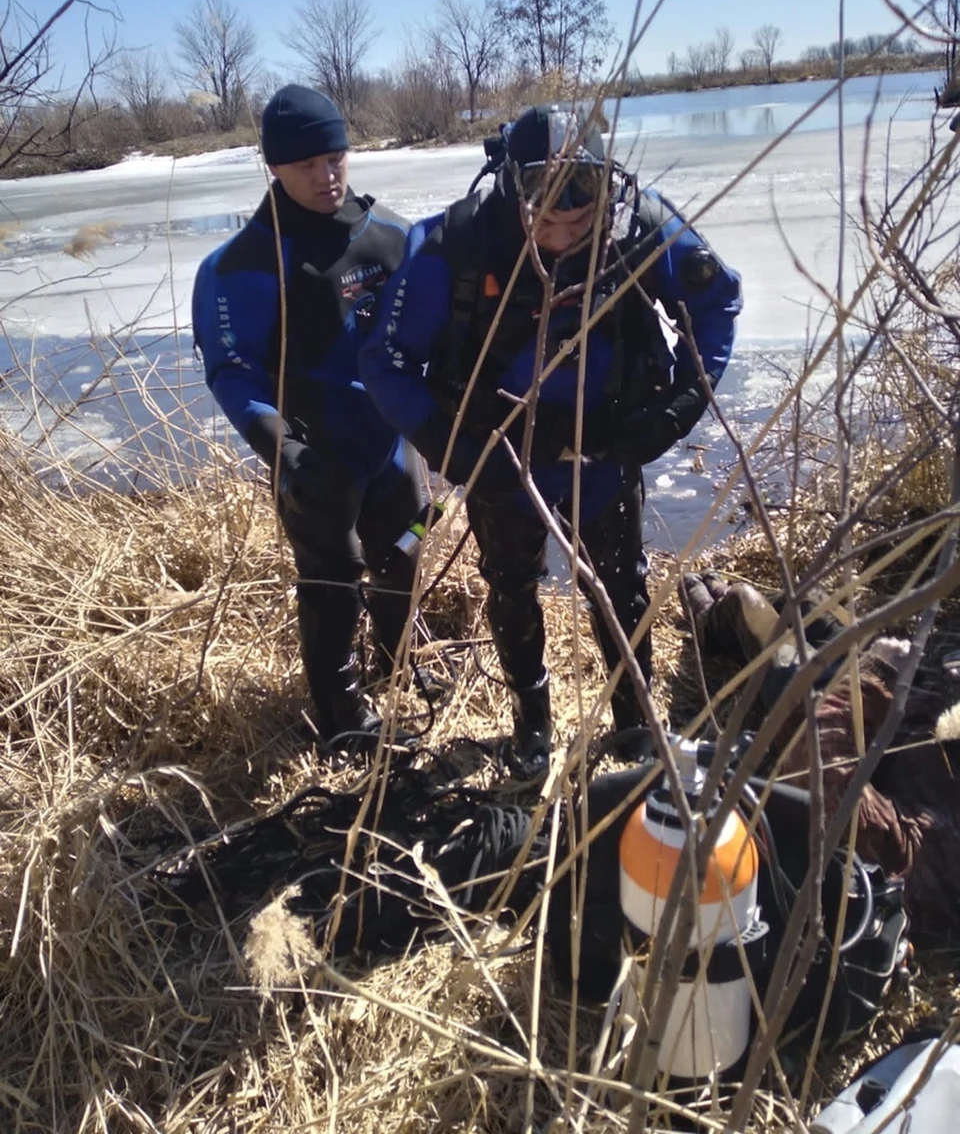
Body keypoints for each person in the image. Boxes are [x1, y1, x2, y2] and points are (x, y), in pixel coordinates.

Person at [360, 103, 742, 769]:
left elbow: (717, 301)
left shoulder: (639, 226)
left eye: (581, 220)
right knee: (510, 583)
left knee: (620, 584)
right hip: (501, 453)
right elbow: (384, 362)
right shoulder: (453, 246)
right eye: (547, 222)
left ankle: (632, 722)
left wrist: (683, 402)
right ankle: (532, 723)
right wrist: (449, 446)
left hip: (605, 448)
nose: (564, 237)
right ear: (513, 190)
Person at [192, 83, 428, 749]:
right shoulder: (239, 266)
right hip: (313, 453)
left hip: (391, 445)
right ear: (274, 166)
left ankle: (398, 664)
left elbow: (436, 334)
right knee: (330, 578)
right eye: (307, 166)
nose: (327, 177)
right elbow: (231, 371)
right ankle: (343, 717)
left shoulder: (393, 239)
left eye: (336, 159)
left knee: (403, 550)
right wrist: (282, 451)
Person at [681, 570, 960, 936]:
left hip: (827, 709)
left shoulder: (934, 851)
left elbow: (826, 783)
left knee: (744, 602)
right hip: (901, 692)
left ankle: (709, 618)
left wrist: (871, 676)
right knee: (804, 599)